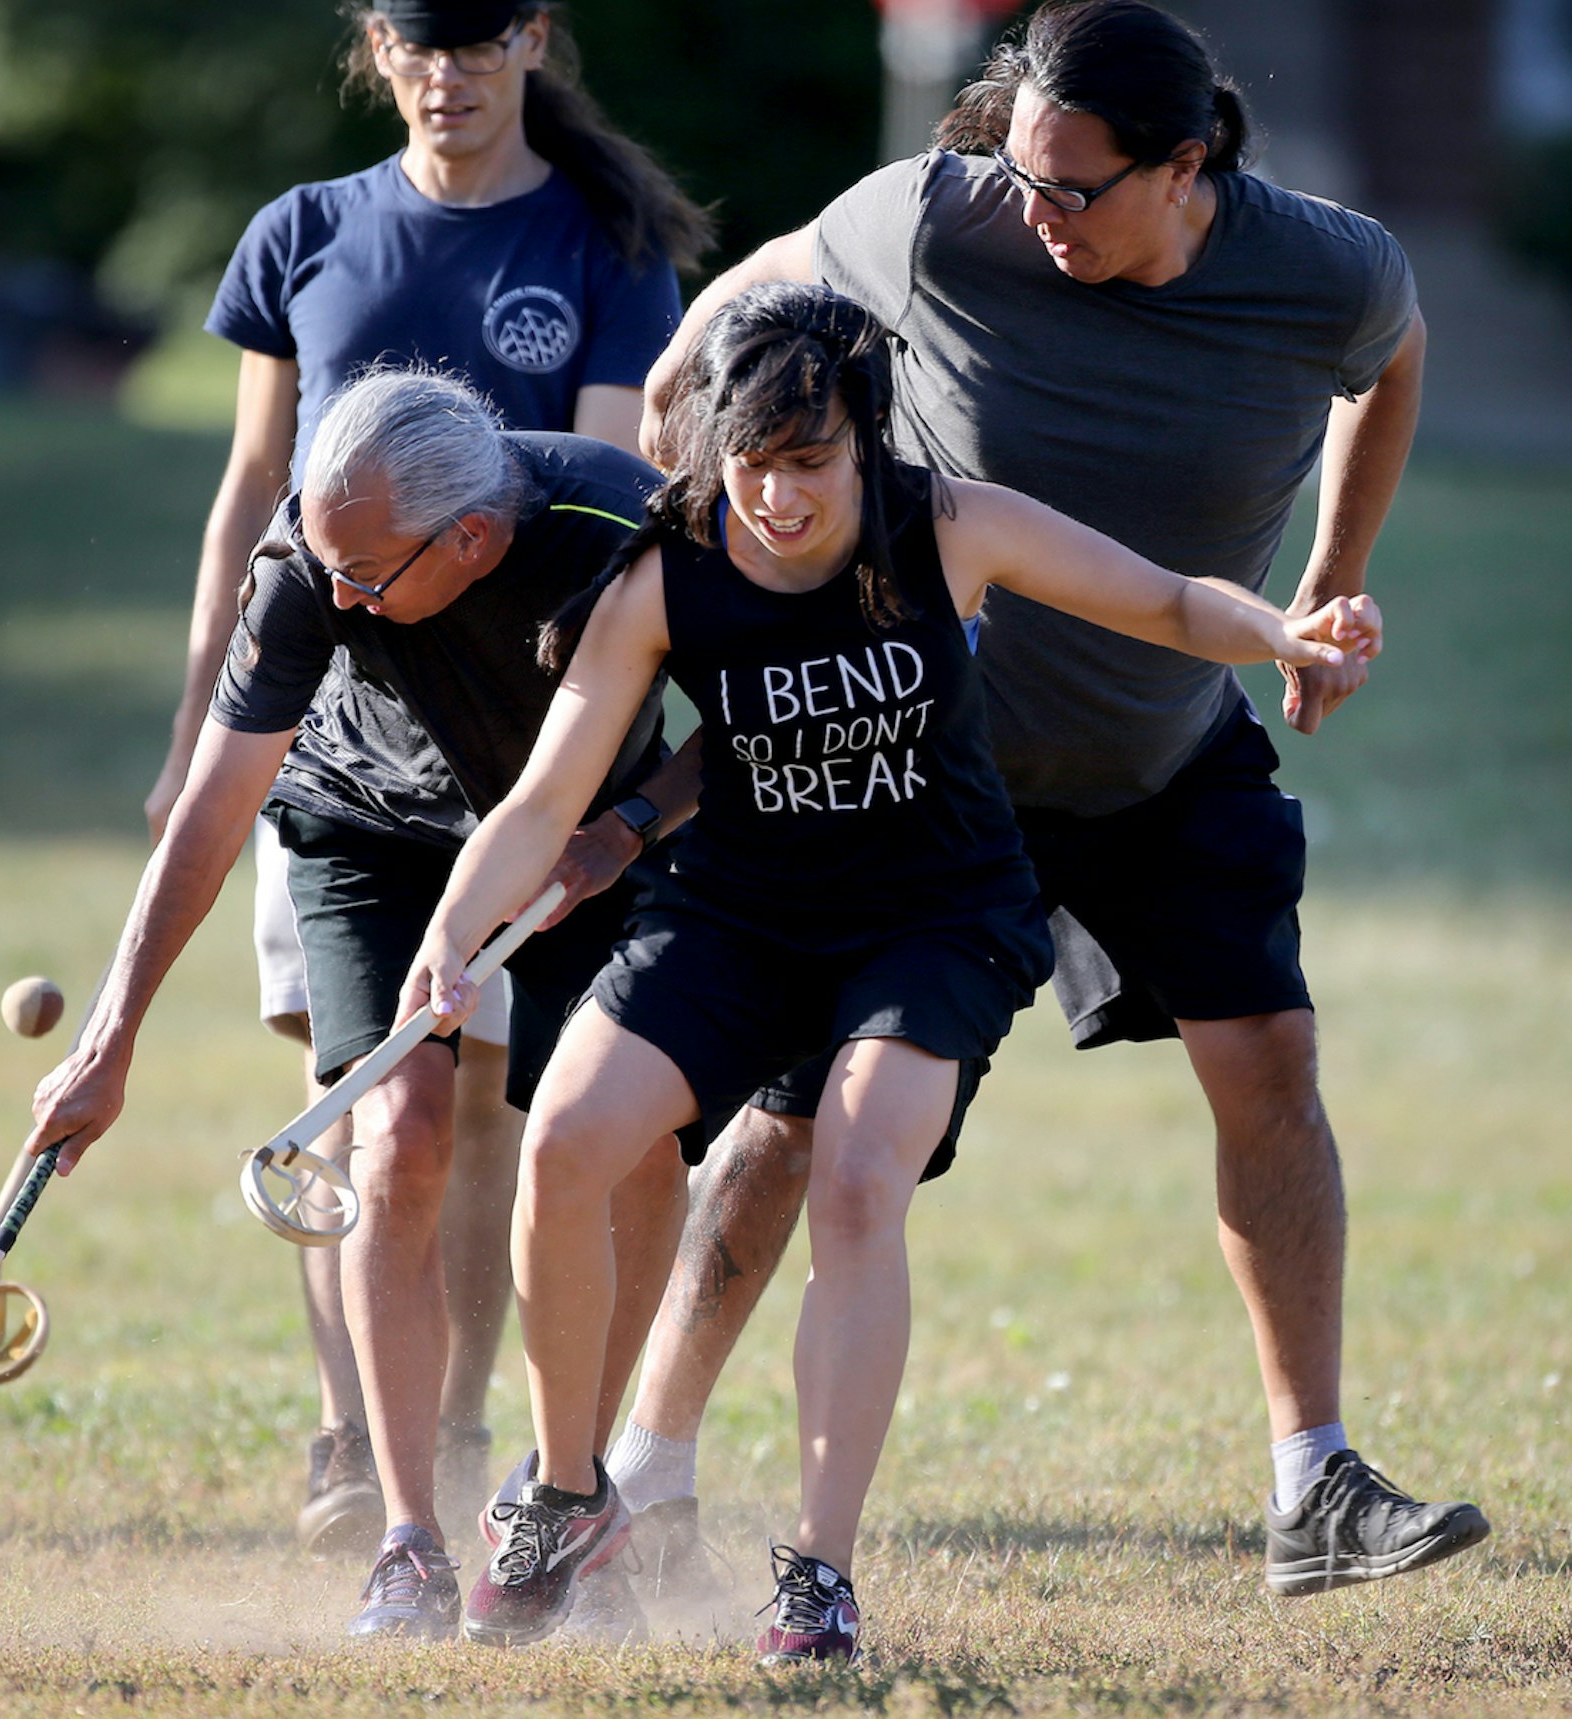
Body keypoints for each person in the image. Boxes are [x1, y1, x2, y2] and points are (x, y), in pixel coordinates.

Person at [617, 0, 1487, 1603]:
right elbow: (775, 273)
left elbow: (1396, 351)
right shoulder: (945, 226)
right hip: (922, 781)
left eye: (1075, 191)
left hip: (1159, 743)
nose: (1037, 214)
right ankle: (639, 1472)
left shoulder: (1326, 268)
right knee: (799, 1122)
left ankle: (1313, 1481)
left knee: (1271, 1062)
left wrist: (1331, 577)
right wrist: (685, 382)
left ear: (1186, 165)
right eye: (1020, 176)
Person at [398, 281, 1384, 1661]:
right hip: (738, 911)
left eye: (808, 463)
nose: (777, 498)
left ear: (862, 437)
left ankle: (814, 1572)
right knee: (565, 1137)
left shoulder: (949, 524)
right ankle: (569, 1493)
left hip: (934, 918)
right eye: (750, 463)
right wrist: (448, 936)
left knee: (858, 1180)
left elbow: (1161, 599)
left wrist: (1283, 629)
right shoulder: (663, 572)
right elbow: (541, 799)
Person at [141, 0, 711, 1555]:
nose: (444, 71)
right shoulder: (304, 231)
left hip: (540, 734)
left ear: (534, 38)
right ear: (372, 47)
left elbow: (602, 520)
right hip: (335, 729)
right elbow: (255, 489)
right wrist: (198, 723)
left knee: (507, 1109)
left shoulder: (601, 237)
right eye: (414, 37)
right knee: (364, 1102)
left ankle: (496, 1432)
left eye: (475, 37)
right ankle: (369, 1444)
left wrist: (586, 811)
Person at [27, 370, 697, 1640]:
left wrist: (631, 825)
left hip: (589, 839)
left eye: (367, 579)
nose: (335, 597)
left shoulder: (626, 527)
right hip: (367, 832)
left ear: (475, 540)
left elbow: (750, 705)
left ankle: (573, 1505)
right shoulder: (309, 555)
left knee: (640, 1150)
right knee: (398, 1138)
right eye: (325, 566)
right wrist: (112, 1041)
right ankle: (409, 1541)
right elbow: (215, 812)